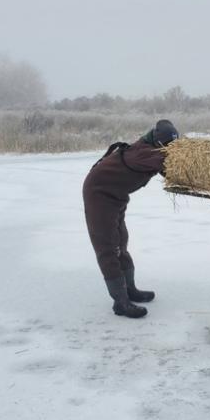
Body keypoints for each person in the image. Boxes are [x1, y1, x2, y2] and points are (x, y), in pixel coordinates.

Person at [82, 119, 179, 318]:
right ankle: (120, 302)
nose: (172, 149)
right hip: (99, 194)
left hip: (116, 195)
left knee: (121, 242)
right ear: (159, 143)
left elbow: (167, 163)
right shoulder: (142, 153)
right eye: (169, 146)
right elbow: (169, 164)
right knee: (108, 247)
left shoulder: (149, 149)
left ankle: (130, 290)